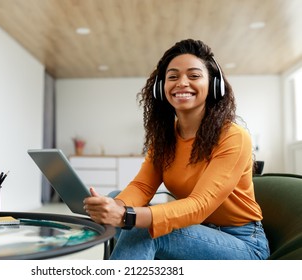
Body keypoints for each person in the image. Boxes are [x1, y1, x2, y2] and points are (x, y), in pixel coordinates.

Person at [83, 39, 270, 260]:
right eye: (173, 76)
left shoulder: (233, 136)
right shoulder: (166, 136)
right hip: (197, 230)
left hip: (242, 243)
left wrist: (128, 216)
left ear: (214, 85)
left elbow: (200, 206)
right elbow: (143, 186)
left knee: (147, 227)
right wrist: (114, 207)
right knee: (117, 197)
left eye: (194, 76)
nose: (182, 82)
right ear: (161, 88)